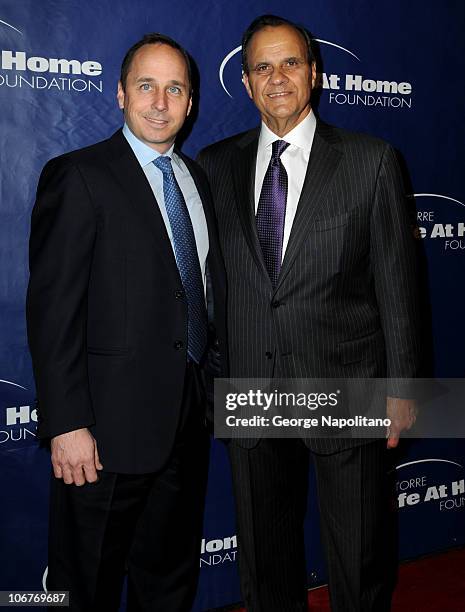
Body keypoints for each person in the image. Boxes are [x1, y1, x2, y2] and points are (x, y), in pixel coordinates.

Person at [197, 14, 420, 612]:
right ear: (244, 83)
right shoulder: (213, 166)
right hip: (250, 388)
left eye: (290, 63)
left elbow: (398, 284)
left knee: (359, 555)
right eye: (262, 67)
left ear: (314, 74)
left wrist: (400, 389)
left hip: (345, 384)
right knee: (265, 562)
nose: (277, 78)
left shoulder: (371, 161)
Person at [26, 33, 226, 612]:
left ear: (191, 104)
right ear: (119, 94)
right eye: (146, 86)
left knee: (167, 582)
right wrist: (66, 424)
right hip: (101, 438)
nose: (160, 102)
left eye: (175, 89)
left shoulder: (197, 180)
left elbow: (201, 294)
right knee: (82, 586)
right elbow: (52, 311)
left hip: (184, 425)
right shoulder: (78, 176)